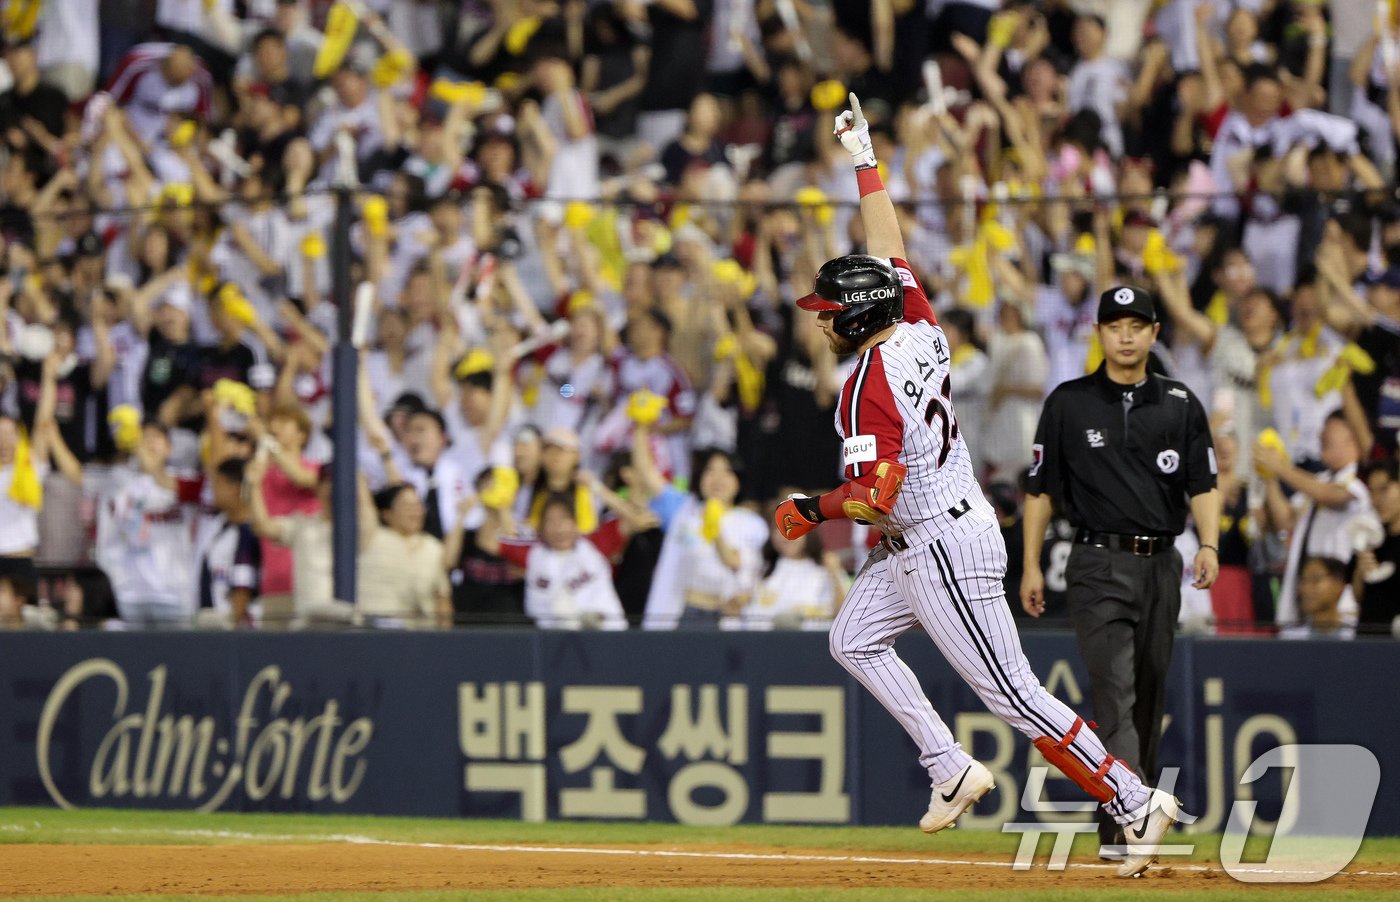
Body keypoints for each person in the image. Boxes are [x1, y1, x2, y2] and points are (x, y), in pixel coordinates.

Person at [774, 93, 1179, 879]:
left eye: (829, 313)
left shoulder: (867, 389)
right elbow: (887, 246)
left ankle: (1133, 800)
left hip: (935, 544)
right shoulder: (920, 324)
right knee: (851, 637)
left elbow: (870, 498)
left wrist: (807, 508)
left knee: (1016, 695)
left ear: (857, 319)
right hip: (932, 531)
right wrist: (865, 161)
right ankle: (950, 767)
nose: (820, 323)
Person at [1020, 283, 1221, 860]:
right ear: (1099, 333)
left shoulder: (1180, 402)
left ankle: (1122, 829)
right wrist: (1032, 565)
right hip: (1096, 561)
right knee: (1114, 693)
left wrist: (1208, 543)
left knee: (1147, 699)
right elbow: (1039, 491)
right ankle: (1133, 822)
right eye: (1115, 325)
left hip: (1163, 561)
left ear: (1155, 333)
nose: (1126, 334)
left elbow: (1202, 483)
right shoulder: (1068, 401)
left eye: (1137, 324)